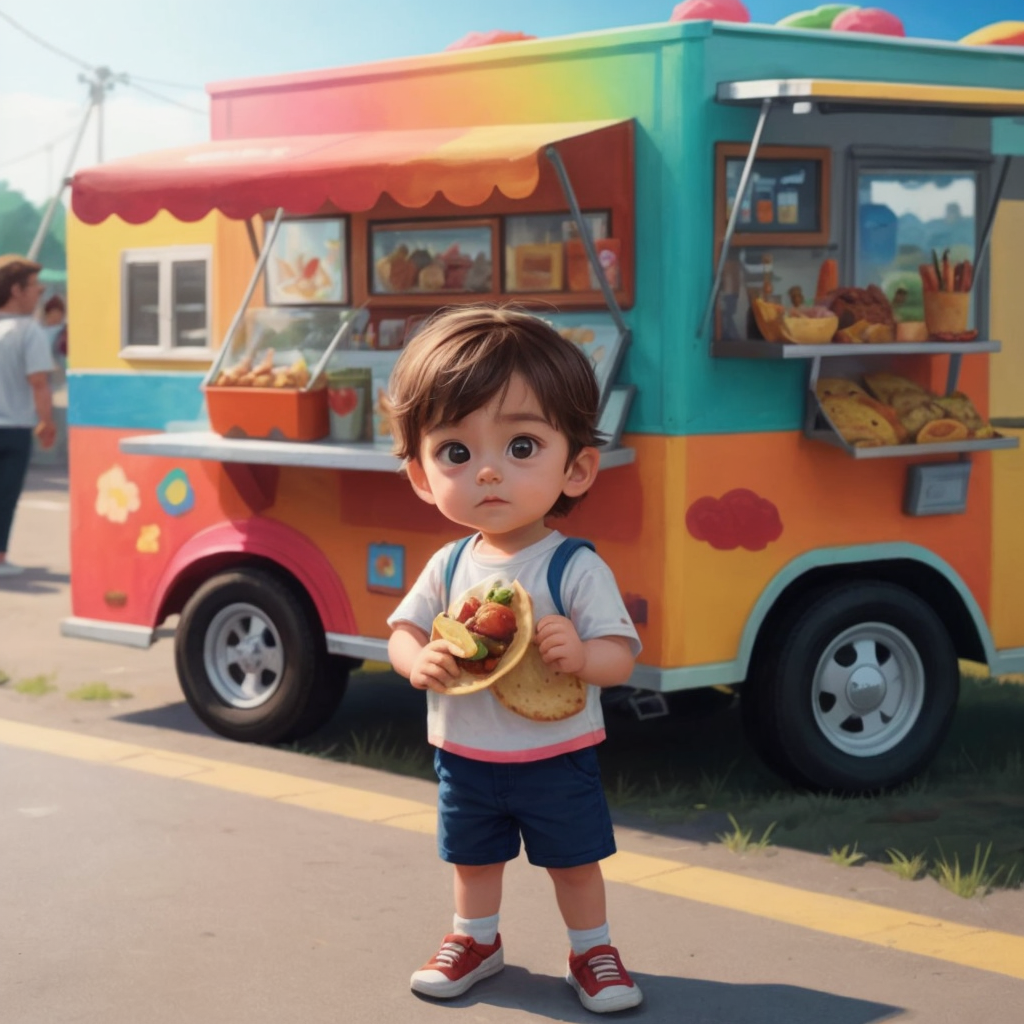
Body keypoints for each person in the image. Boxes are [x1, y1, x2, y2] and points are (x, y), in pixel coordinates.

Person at [386, 306, 643, 1013]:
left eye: (522, 447)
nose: (490, 472)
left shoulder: (572, 567)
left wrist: (582, 653)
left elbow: (621, 658)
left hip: (557, 752)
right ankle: (476, 939)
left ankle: (593, 951)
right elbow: (402, 631)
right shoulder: (449, 562)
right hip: (465, 752)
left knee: (574, 861)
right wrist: (418, 662)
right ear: (419, 474)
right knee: (473, 860)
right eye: (457, 454)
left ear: (579, 466)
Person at [0, 255, 56, 577]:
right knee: (5, 496)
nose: (40, 292)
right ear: (16, 289)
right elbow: (39, 382)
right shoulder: (28, 331)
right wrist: (46, 422)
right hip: (14, 427)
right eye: (35, 286)